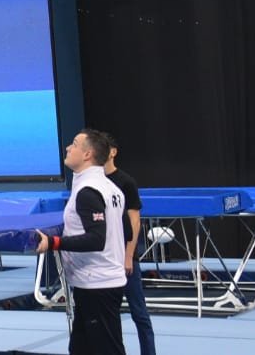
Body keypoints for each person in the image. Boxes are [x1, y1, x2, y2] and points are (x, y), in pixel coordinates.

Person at [35, 129, 127, 355]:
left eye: (74, 144)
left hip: (98, 285)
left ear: (88, 155)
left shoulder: (89, 191)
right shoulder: (110, 188)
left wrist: (53, 242)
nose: (68, 147)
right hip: (95, 283)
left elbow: (97, 239)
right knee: (79, 349)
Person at [104, 139, 154, 355]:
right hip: (103, 256)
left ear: (113, 152)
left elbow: (135, 220)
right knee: (108, 315)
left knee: (139, 313)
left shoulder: (126, 182)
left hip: (124, 255)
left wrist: (129, 255)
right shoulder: (93, 181)